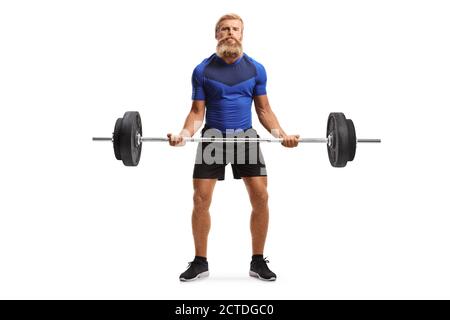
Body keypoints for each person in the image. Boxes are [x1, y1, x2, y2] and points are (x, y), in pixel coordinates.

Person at [167, 13, 299, 282]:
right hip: (213, 138)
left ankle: (258, 261)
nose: (230, 33)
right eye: (224, 29)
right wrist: (183, 134)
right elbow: (196, 113)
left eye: (235, 29)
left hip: (245, 138)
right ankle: (200, 262)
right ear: (217, 35)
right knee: (200, 199)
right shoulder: (202, 70)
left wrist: (281, 135)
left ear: (242, 35)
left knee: (261, 197)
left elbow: (263, 110)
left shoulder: (255, 69)